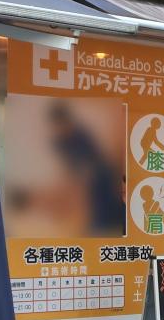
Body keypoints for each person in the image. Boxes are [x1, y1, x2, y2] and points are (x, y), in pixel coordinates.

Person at [47, 101, 125, 236]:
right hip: (83, 178)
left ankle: (107, 226)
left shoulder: (81, 134)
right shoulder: (58, 142)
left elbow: (95, 157)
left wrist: (85, 173)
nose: (60, 127)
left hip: (100, 175)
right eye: (57, 124)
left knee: (105, 204)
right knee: (92, 207)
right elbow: (68, 166)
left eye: (62, 122)